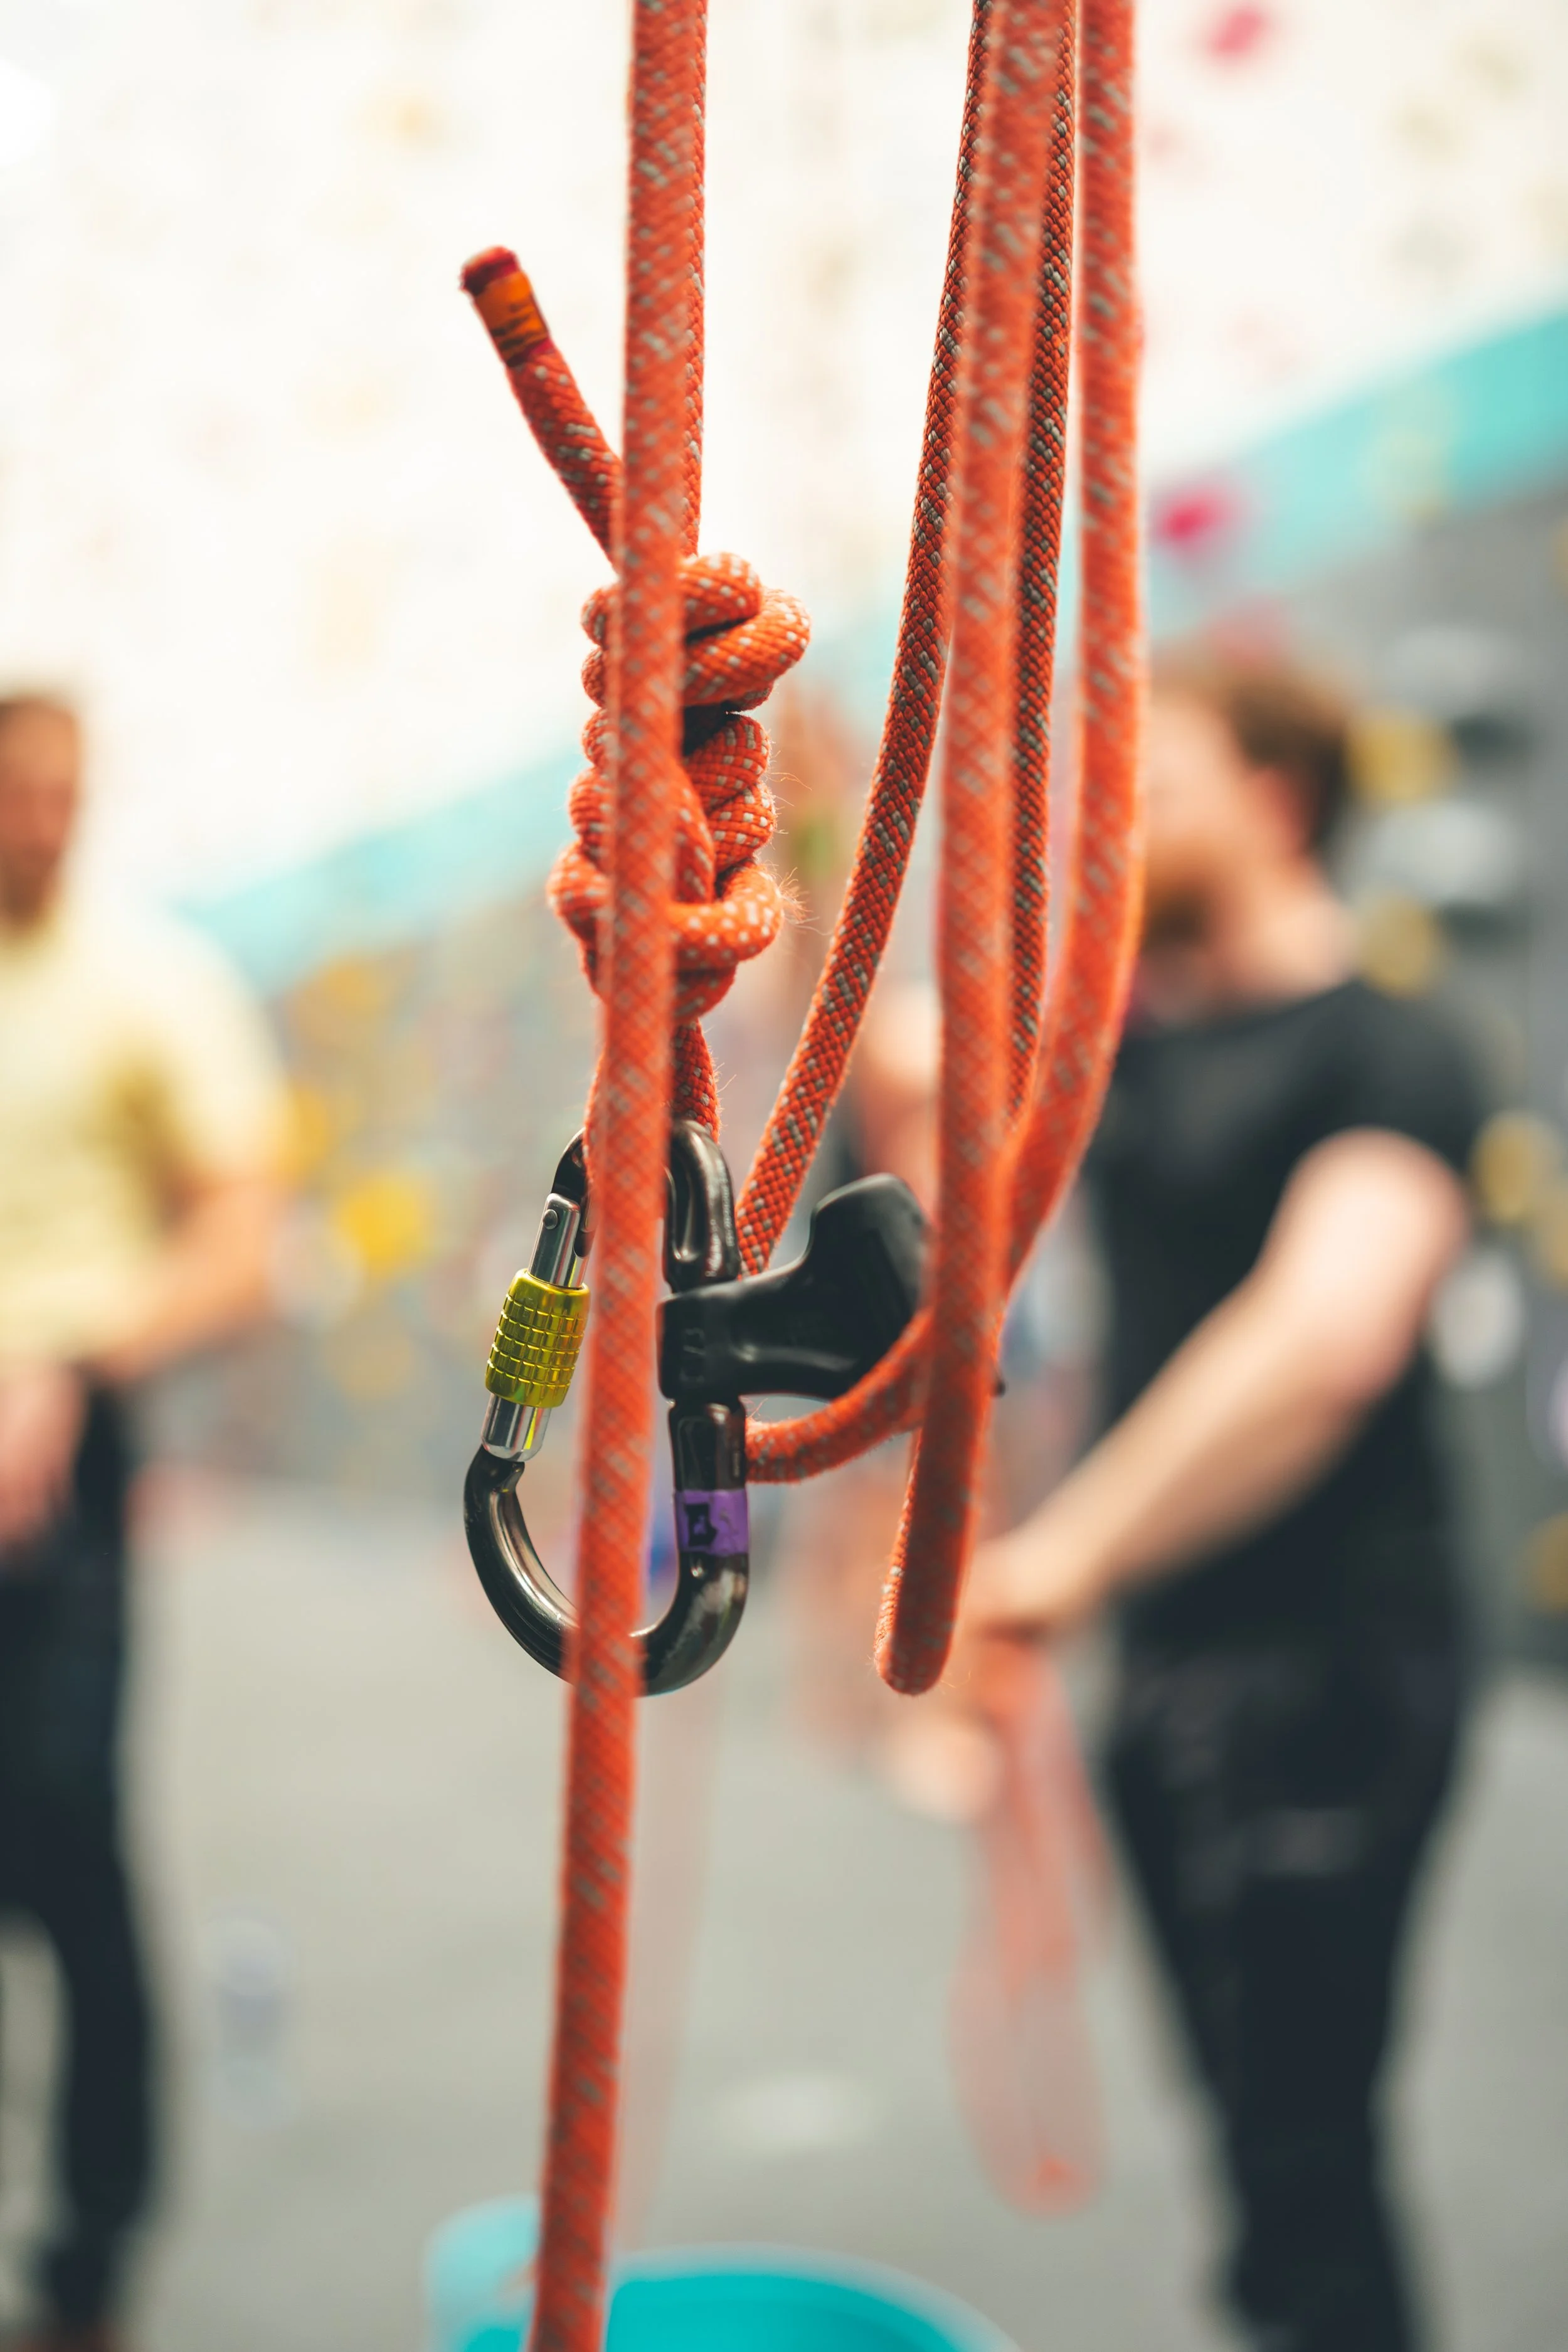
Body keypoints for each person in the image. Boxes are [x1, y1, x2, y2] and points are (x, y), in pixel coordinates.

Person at [960, 650, 1485, 2352]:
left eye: (1145, 782)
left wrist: (1064, 1557)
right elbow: (917, 1058)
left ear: (1273, 801)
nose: (1098, 818)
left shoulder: (1393, 1048)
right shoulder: (1122, 1051)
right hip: (1175, 1662)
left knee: (1302, 2161)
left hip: (1333, 1668)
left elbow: (1324, 1339)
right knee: (1258, 2162)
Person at [0, 693, 286, 2351]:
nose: (45, 819)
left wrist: (71, 1360)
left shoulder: (150, 982)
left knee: (64, 1835)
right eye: (16, 791)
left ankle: (93, 2257)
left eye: (66, 793)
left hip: (64, 1448)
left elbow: (240, 1247)